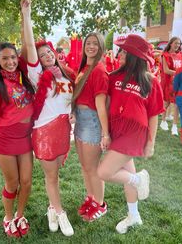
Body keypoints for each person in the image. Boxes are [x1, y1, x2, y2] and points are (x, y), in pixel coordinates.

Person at [98, 34, 164, 234]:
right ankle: (134, 215)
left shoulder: (150, 81)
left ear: (135, 56)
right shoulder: (114, 76)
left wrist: (150, 143)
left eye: (125, 51)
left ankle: (139, 180)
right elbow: (106, 105)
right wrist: (105, 133)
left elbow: (154, 115)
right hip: (117, 130)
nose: (120, 54)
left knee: (104, 172)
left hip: (135, 132)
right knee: (128, 174)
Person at [21, 0, 75, 237]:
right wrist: (27, 15)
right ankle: (61, 213)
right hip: (43, 133)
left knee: (54, 175)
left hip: (63, 131)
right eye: (42, 55)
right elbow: (30, 46)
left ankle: (51, 208)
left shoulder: (66, 77)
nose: (46, 56)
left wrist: (74, 112)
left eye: (49, 52)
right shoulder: (36, 76)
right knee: (51, 175)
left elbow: (72, 101)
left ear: (55, 53)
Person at [0, 42, 34, 238]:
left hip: (24, 139)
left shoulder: (23, 81)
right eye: (5, 58)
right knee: (12, 183)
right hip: (4, 141)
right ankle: (8, 218)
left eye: (13, 57)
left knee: (26, 182)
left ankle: (20, 216)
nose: (10, 62)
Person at [72, 32, 109, 222]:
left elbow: (101, 105)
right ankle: (91, 198)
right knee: (85, 167)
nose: (91, 46)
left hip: (92, 122)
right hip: (80, 121)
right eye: (89, 43)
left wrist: (105, 133)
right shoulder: (85, 67)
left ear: (101, 47)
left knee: (93, 168)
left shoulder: (99, 70)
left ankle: (101, 204)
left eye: (96, 44)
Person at [159, 37, 182, 135]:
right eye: (176, 43)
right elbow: (166, 70)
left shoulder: (180, 55)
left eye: (179, 44)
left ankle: (174, 126)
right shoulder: (165, 55)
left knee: (177, 103)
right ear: (170, 43)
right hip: (167, 82)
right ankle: (163, 121)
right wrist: (180, 73)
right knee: (167, 103)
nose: (177, 45)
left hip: (178, 82)